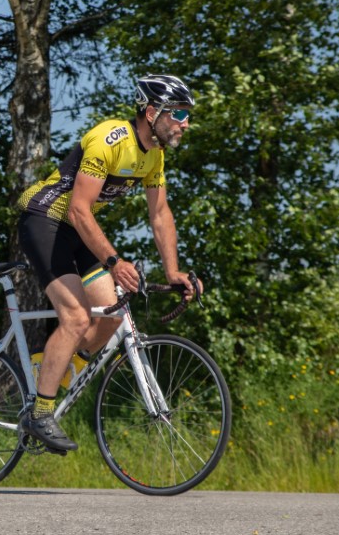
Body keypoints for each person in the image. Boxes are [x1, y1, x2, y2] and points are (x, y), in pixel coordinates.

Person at [16, 74, 202, 452]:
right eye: (179, 114)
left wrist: (173, 271)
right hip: (45, 220)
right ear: (151, 112)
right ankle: (40, 413)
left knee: (113, 314)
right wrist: (114, 261)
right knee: (76, 318)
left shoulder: (154, 155)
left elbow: (160, 214)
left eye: (188, 115)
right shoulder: (110, 139)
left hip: (77, 229)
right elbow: (79, 209)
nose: (185, 123)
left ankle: (51, 367)